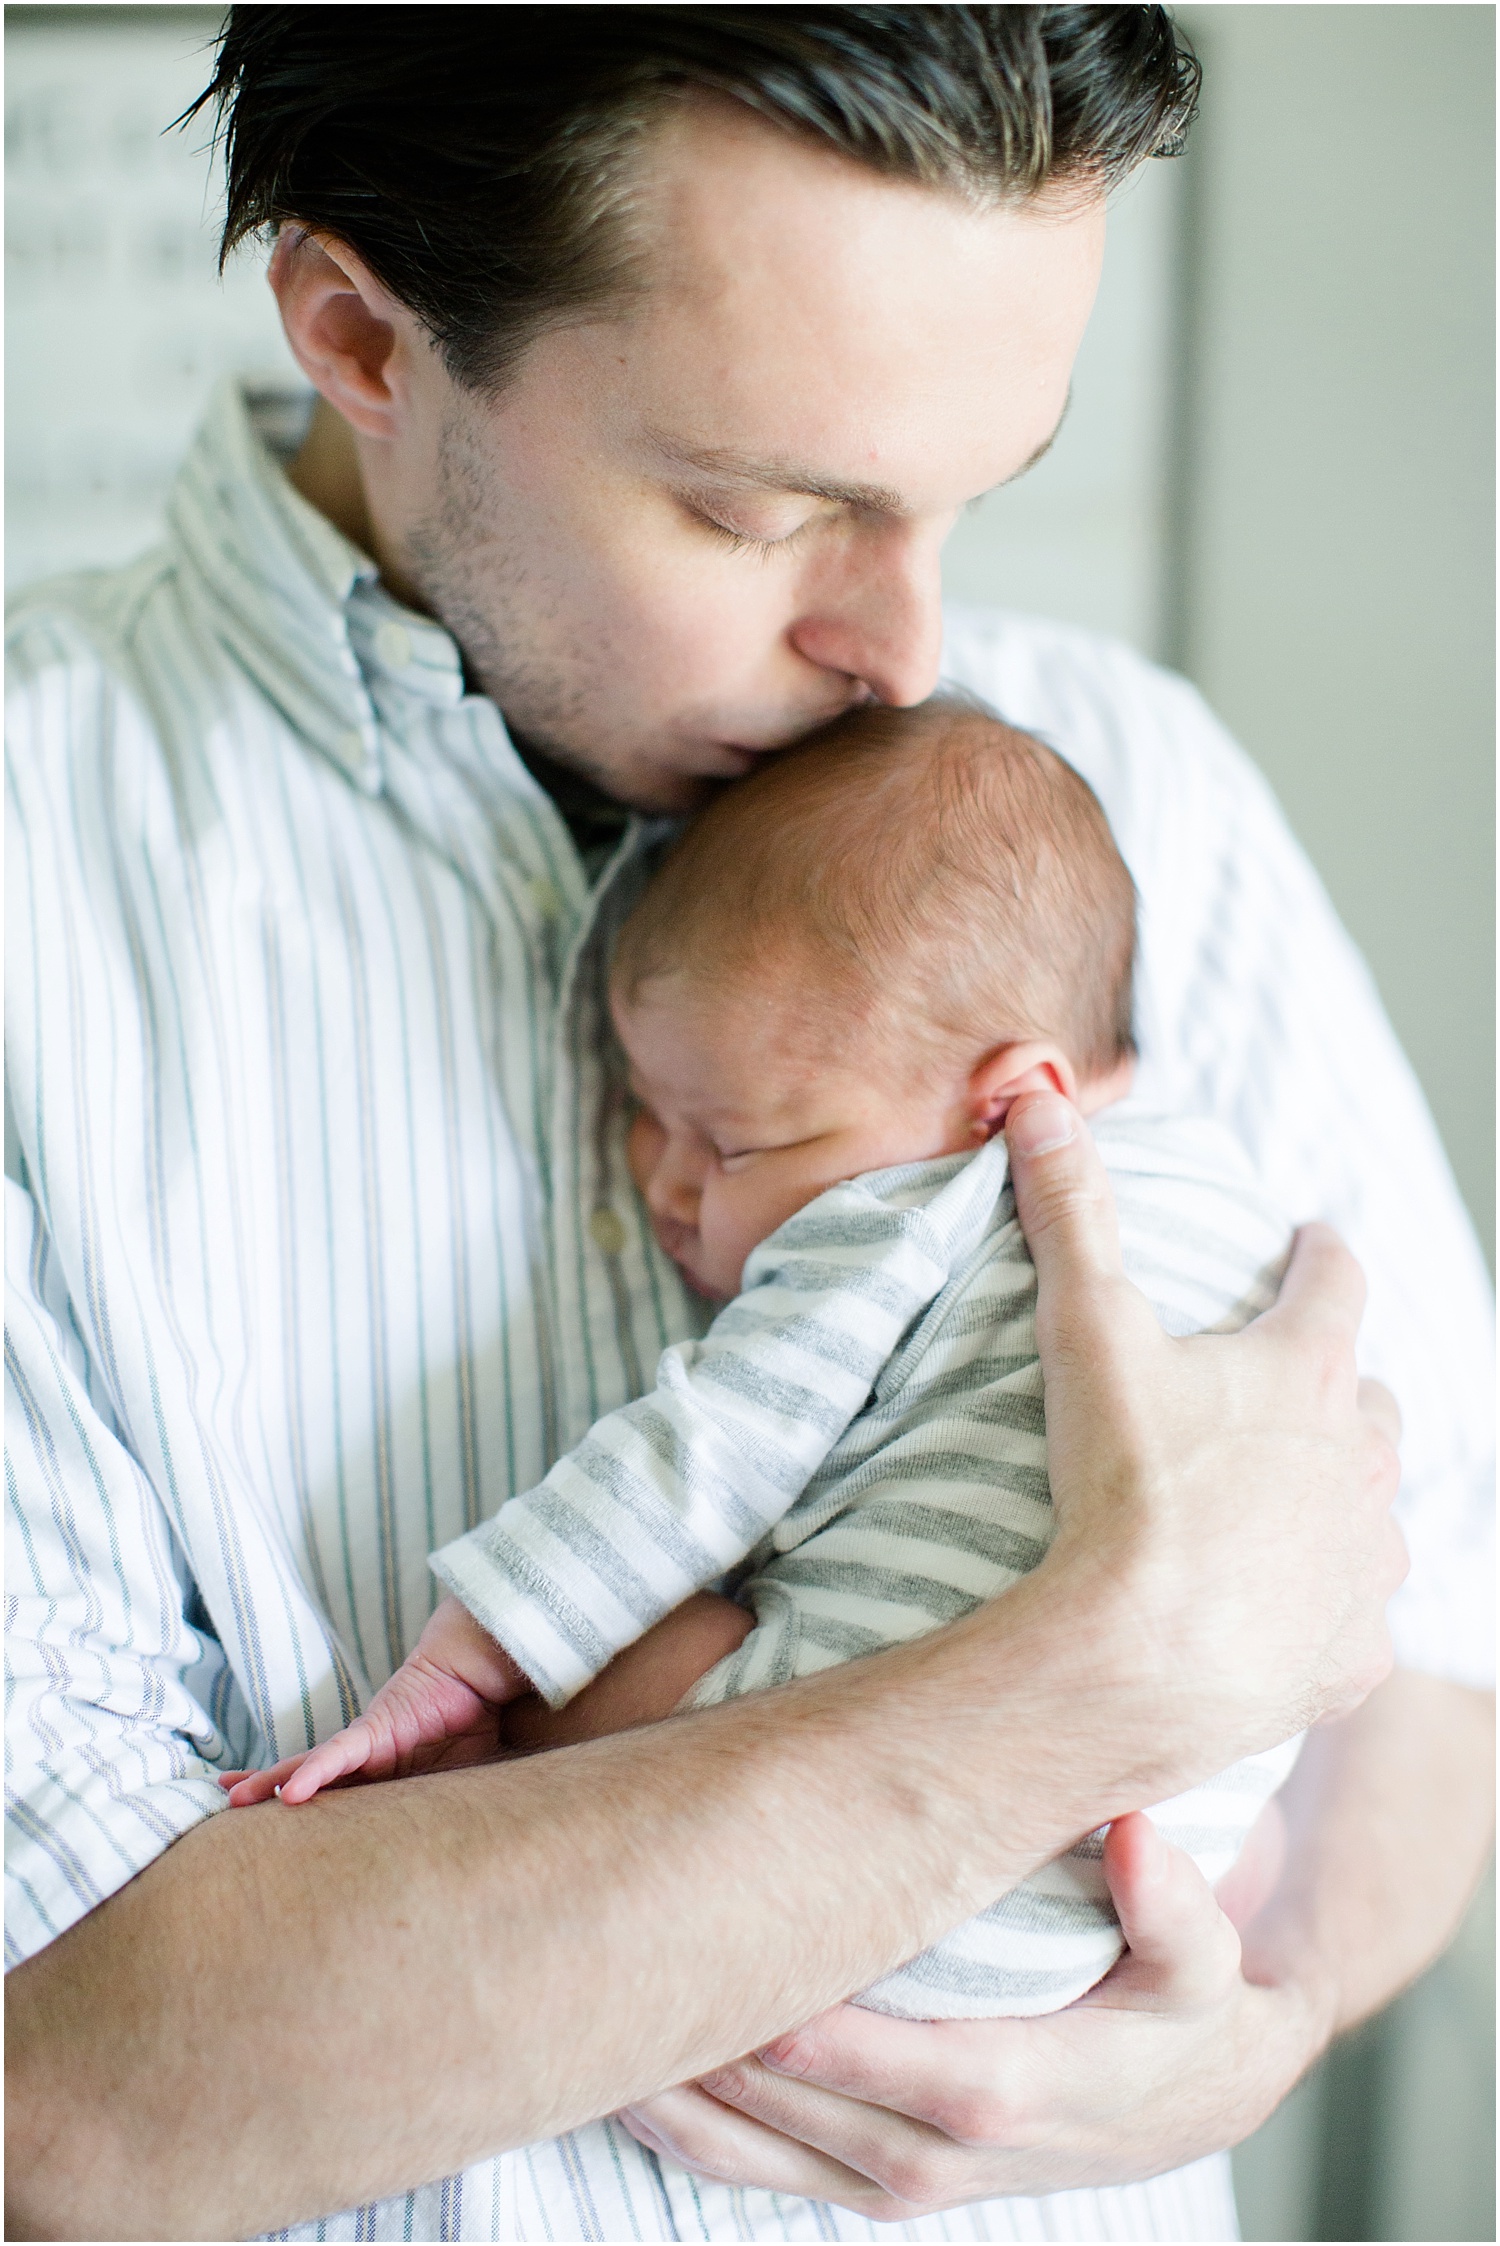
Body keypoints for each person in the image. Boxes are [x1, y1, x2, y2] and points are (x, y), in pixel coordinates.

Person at [3, 9, 1489, 2242]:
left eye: (971, 493)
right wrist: (1074, 1690)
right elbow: (62, 2085)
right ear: (359, 331)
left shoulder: (1137, 785)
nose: (912, 646)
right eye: (761, 505)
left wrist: (1264, 2015)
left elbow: (1440, 1665)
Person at [225, 698, 1304, 2032]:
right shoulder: (1238, 1189)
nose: (664, 1178)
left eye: (728, 1143)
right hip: (1139, 1892)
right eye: (644, 1112)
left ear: (1009, 1097)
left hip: (861, 1883)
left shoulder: (914, 1204)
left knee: (641, 1661)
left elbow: (712, 1444)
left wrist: (480, 1657)